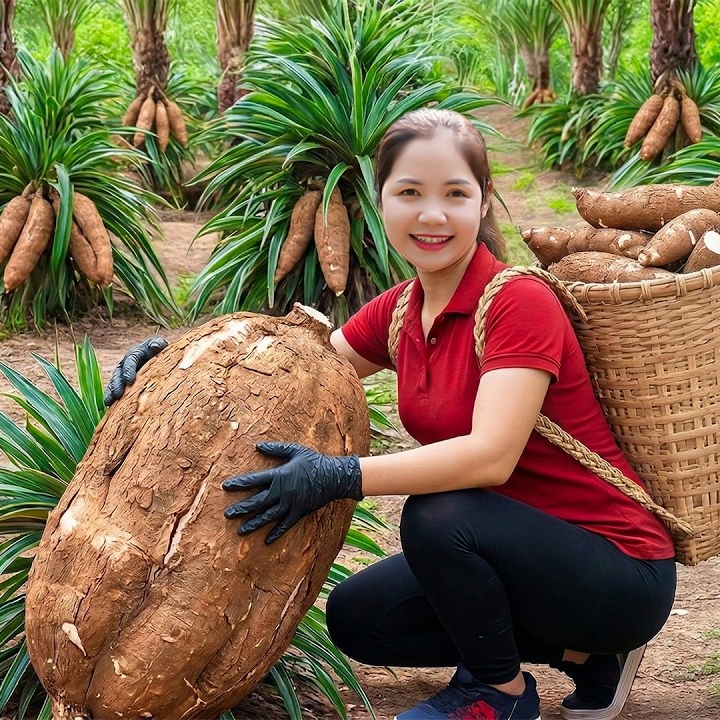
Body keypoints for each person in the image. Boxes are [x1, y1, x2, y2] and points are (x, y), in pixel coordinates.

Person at [104, 108, 677, 720]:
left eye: (455, 194)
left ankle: (498, 695)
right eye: (409, 193)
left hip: (616, 565)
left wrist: (340, 475)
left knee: (437, 516)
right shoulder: (402, 310)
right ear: (380, 203)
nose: (432, 215)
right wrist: (180, 358)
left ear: (482, 203)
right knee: (359, 619)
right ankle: (590, 658)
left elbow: (490, 456)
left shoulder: (518, 302)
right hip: (515, 551)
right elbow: (291, 370)